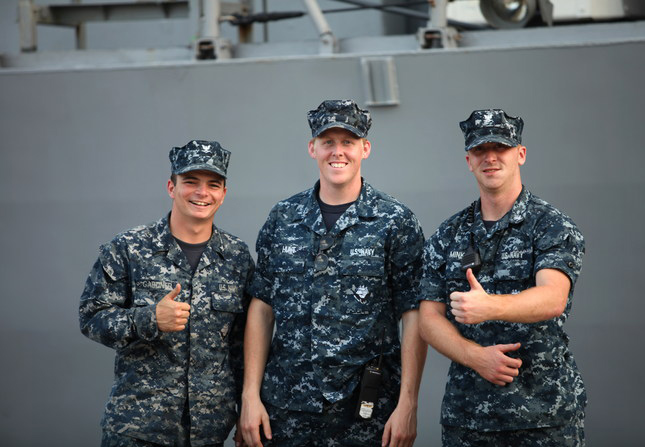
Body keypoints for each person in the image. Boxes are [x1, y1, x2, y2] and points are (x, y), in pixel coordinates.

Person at [240, 100, 427, 447]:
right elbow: (262, 308)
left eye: (348, 142)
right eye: (328, 142)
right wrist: (250, 396)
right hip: (287, 409)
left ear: (365, 149)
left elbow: (413, 313)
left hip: (367, 412)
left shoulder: (395, 221)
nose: (337, 152)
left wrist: (408, 403)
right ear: (312, 148)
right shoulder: (283, 218)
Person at [419, 109, 587, 446]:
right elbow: (428, 318)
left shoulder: (551, 226)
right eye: (480, 149)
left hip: (542, 418)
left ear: (520, 154)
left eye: (500, 147)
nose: (490, 157)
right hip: (468, 419)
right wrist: (475, 357)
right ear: (469, 160)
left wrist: (489, 306)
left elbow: (553, 297)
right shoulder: (449, 234)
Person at [80, 140, 254, 447]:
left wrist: (245, 409)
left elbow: (241, 344)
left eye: (213, 185)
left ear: (223, 194)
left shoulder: (236, 256)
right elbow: (91, 318)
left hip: (209, 431)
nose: (202, 193)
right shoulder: (129, 247)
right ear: (171, 187)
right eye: (191, 182)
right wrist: (149, 319)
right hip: (138, 428)